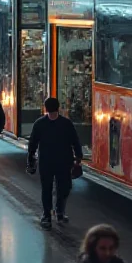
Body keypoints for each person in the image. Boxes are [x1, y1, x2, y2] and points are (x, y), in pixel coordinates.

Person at [26, 97, 83, 230]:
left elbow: (33, 143)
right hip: (63, 161)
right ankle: (58, 212)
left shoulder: (39, 123)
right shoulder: (66, 123)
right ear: (59, 108)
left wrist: (30, 157)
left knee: (49, 189)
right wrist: (78, 156)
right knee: (62, 188)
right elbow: (75, 141)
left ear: (45, 108)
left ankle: (48, 215)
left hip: (47, 161)